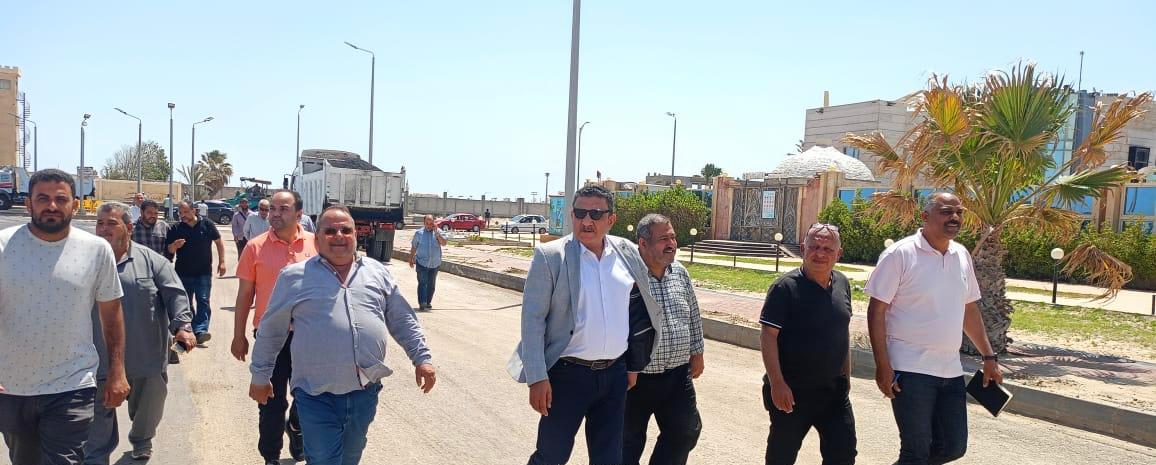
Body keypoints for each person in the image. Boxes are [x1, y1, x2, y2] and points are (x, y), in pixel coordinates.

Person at [249, 205, 436, 465]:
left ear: (356, 235)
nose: (339, 236)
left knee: (350, 457)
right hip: (315, 394)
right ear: (317, 238)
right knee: (324, 460)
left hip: (364, 392)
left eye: (346, 230)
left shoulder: (377, 272)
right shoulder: (294, 277)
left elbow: (402, 319)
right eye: (330, 231)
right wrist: (260, 375)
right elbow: (271, 331)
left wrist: (422, 358)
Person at [507, 185, 664, 465]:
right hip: (567, 376)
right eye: (580, 213)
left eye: (595, 214)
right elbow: (532, 321)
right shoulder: (551, 257)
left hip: (615, 375)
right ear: (572, 215)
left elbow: (637, 310)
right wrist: (537, 377)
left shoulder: (627, 252)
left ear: (611, 219)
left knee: (609, 459)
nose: (586, 221)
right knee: (551, 456)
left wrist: (633, 365)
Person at [0, 169, 129, 465]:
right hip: (13, 385)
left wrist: (117, 370)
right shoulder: (3, 246)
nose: (52, 206)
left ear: (75, 204)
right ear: (28, 204)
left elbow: (111, 315)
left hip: (73, 384)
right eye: (42, 198)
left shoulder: (96, 250)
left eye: (61, 199)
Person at [865, 192, 1003, 465]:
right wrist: (883, 365)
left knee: (953, 447)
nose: (954, 217)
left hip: (950, 370)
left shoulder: (961, 254)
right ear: (925, 216)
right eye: (946, 212)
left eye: (959, 212)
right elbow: (876, 311)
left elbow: (969, 309)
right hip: (909, 369)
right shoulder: (900, 254)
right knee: (915, 452)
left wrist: (988, 357)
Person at [85, 202, 196, 464]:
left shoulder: (152, 261)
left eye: (111, 224)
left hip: (146, 356)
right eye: (100, 223)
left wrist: (182, 326)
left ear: (129, 228)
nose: (104, 229)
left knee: (150, 407)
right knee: (95, 430)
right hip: (96, 359)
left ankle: (142, 440)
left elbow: (176, 295)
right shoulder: (83, 261)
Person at [759, 223, 856, 465]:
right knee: (781, 457)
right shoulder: (784, 288)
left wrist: (846, 375)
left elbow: (842, 331)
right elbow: (768, 336)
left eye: (827, 249)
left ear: (838, 254)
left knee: (843, 456)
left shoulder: (842, 283)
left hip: (833, 391)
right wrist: (777, 383)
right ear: (803, 249)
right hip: (792, 392)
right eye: (814, 247)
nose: (820, 254)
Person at [232, 191, 315, 465]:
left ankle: (297, 428)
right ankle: (270, 456)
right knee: (271, 401)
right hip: (270, 338)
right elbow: (245, 295)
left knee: (309, 398)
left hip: (309, 337)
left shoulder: (316, 245)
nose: (276, 213)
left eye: (284, 208)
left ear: (299, 214)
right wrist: (238, 335)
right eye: (273, 209)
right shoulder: (255, 247)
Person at [623, 214, 705, 465]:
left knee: (685, 431)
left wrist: (697, 351)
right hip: (635, 379)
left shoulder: (679, 272)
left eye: (673, 237)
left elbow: (692, 312)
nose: (671, 244)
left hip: (677, 375)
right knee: (627, 442)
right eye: (663, 239)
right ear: (643, 243)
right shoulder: (626, 276)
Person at [167, 201, 226, 345]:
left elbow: (219, 242)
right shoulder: (176, 228)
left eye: (186, 212)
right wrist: (174, 246)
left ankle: (201, 330)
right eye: (180, 213)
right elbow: (169, 250)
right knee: (185, 302)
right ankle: (191, 327)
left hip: (203, 272)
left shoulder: (207, 224)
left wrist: (222, 262)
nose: (183, 216)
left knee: (203, 300)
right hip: (183, 272)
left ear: (194, 210)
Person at [408, 214, 447, 310]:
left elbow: (444, 243)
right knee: (422, 283)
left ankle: (428, 302)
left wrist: (437, 233)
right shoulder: (419, 233)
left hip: (434, 263)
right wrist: (411, 258)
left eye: (431, 223)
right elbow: (414, 246)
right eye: (427, 223)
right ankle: (422, 303)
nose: (429, 225)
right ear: (424, 223)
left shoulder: (439, 232)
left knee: (431, 285)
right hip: (422, 262)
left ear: (434, 222)